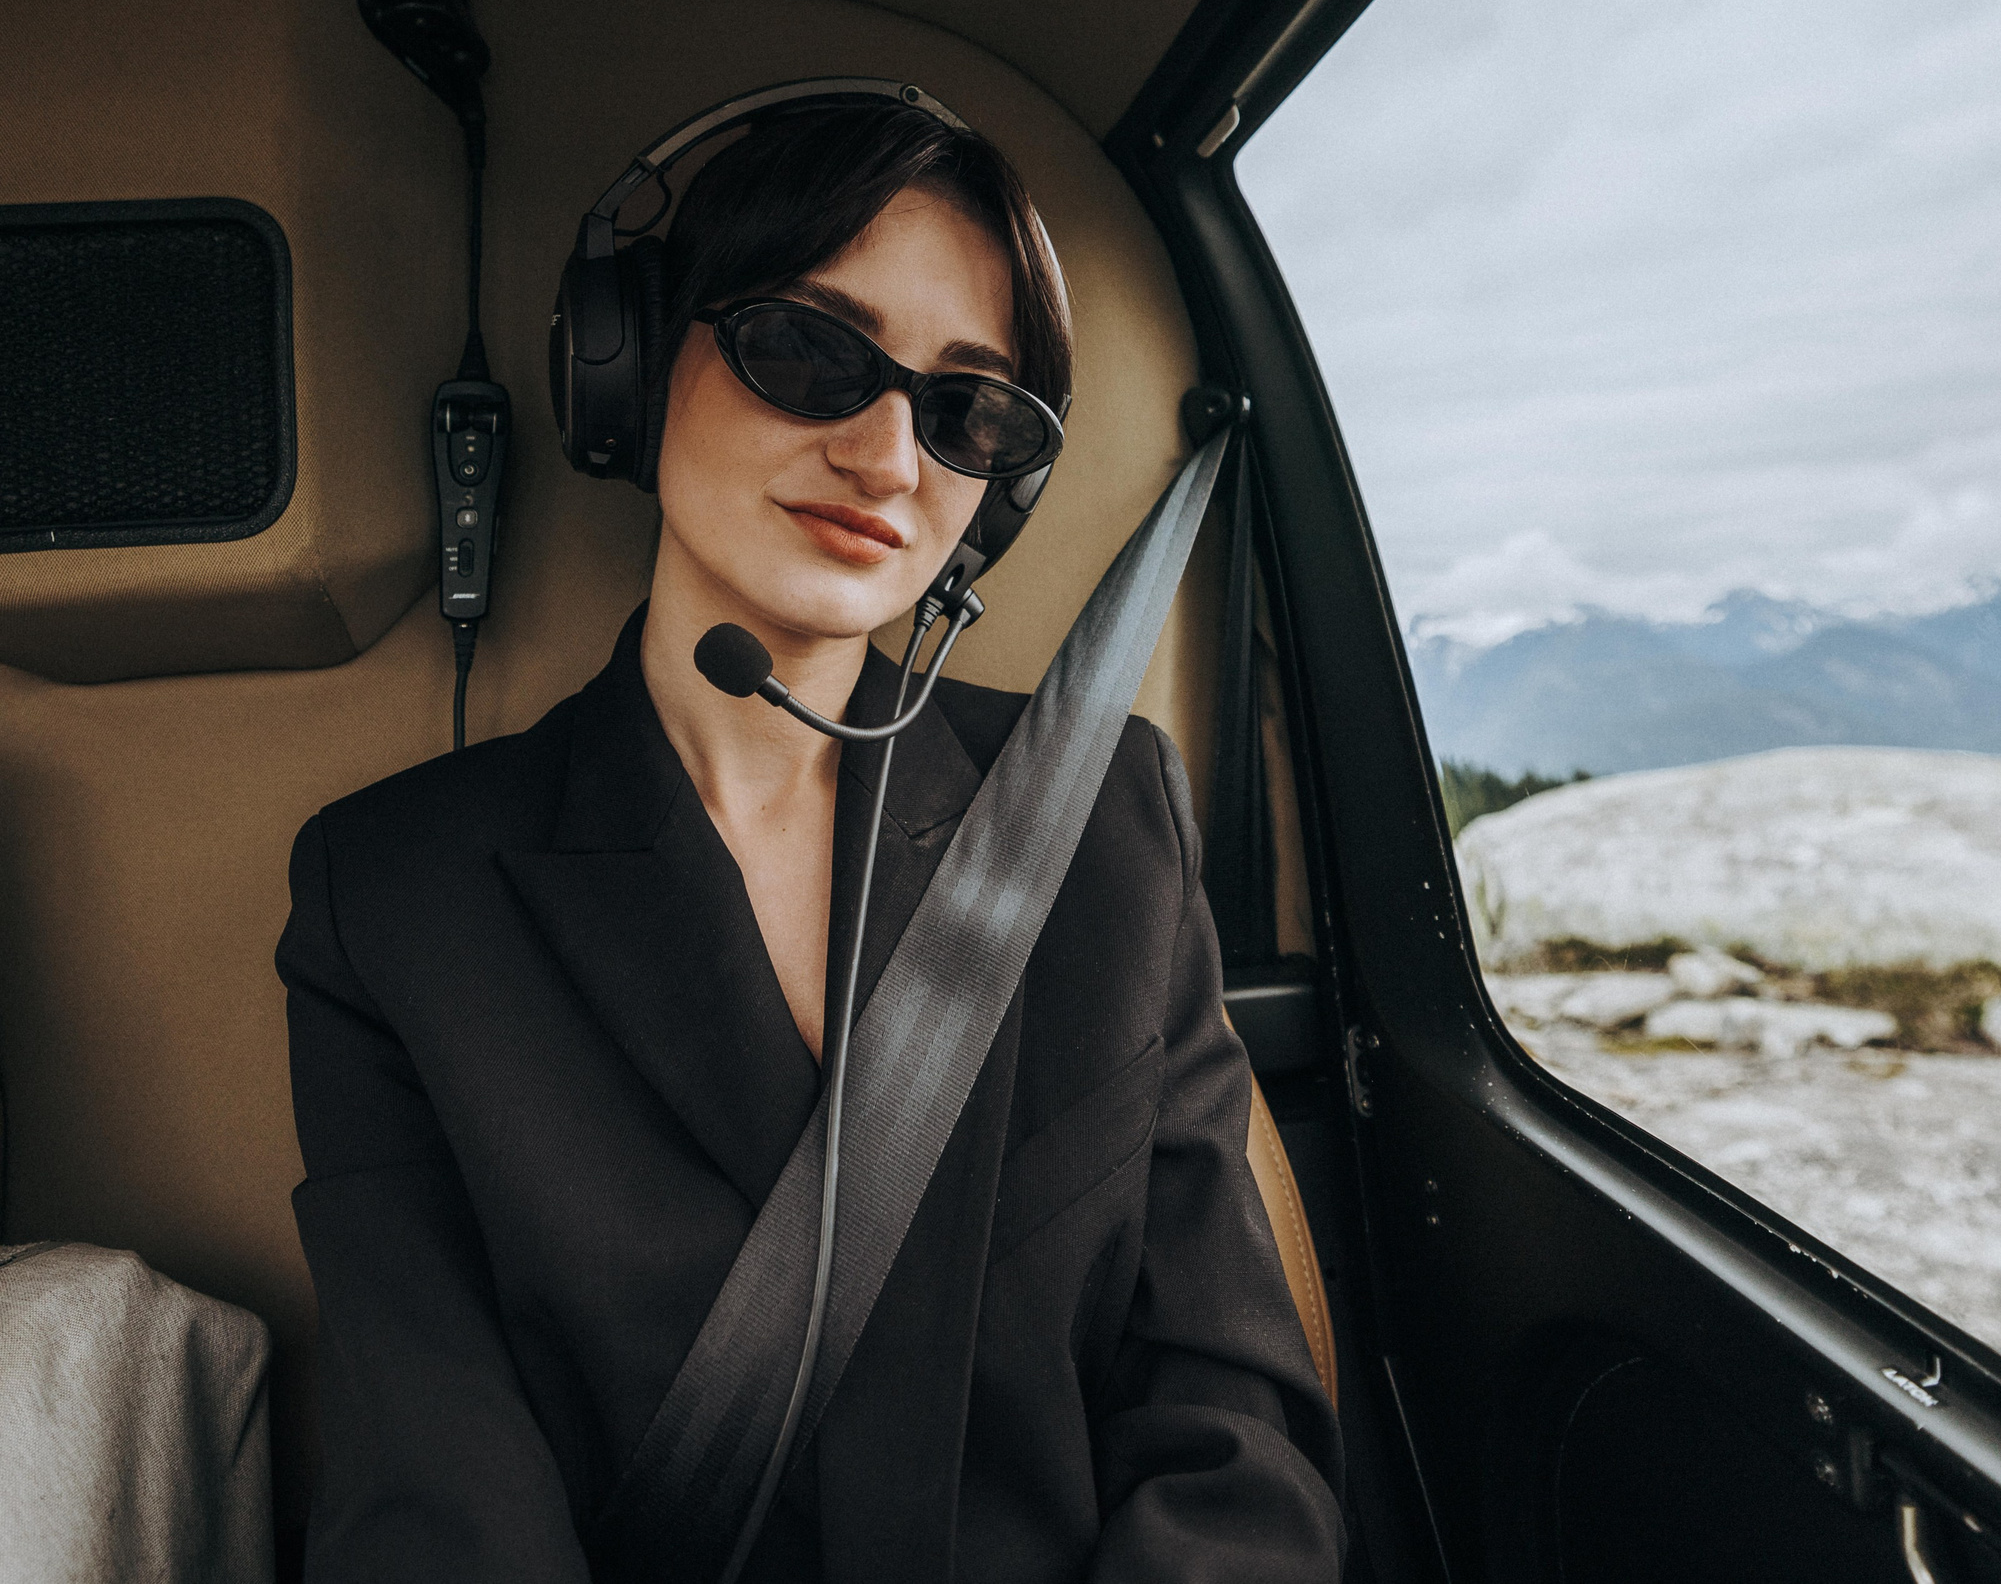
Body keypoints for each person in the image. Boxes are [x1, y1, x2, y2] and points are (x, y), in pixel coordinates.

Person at [277, 101, 1344, 1583]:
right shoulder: (390, 897)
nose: (890, 454)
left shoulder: (1104, 822)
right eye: (808, 351)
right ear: (630, 365)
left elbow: (1231, 1425)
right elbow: (438, 1497)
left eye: (970, 410)